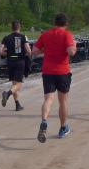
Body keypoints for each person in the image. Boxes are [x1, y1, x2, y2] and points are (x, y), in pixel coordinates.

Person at [33, 13, 77, 142]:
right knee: (63, 101)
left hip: (48, 72)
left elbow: (34, 51)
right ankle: (63, 128)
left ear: (54, 22)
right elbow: (71, 52)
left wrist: (45, 50)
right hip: (62, 72)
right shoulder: (67, 35)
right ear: (66, 23)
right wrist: (74, 45)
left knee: (48, 99)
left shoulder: (45, 34)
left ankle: (44, 121)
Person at [0, 20, 31, 112]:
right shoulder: (23, 37)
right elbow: (29, 51)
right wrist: (27, 56)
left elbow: (0, 51)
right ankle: (7, 94)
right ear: (19, 27)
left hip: (10, 61)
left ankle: (17, 105)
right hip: (20, 61)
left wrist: (8, 54)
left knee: (14, 84)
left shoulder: (6, 38)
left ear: (11, 27)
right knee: (18, 84)